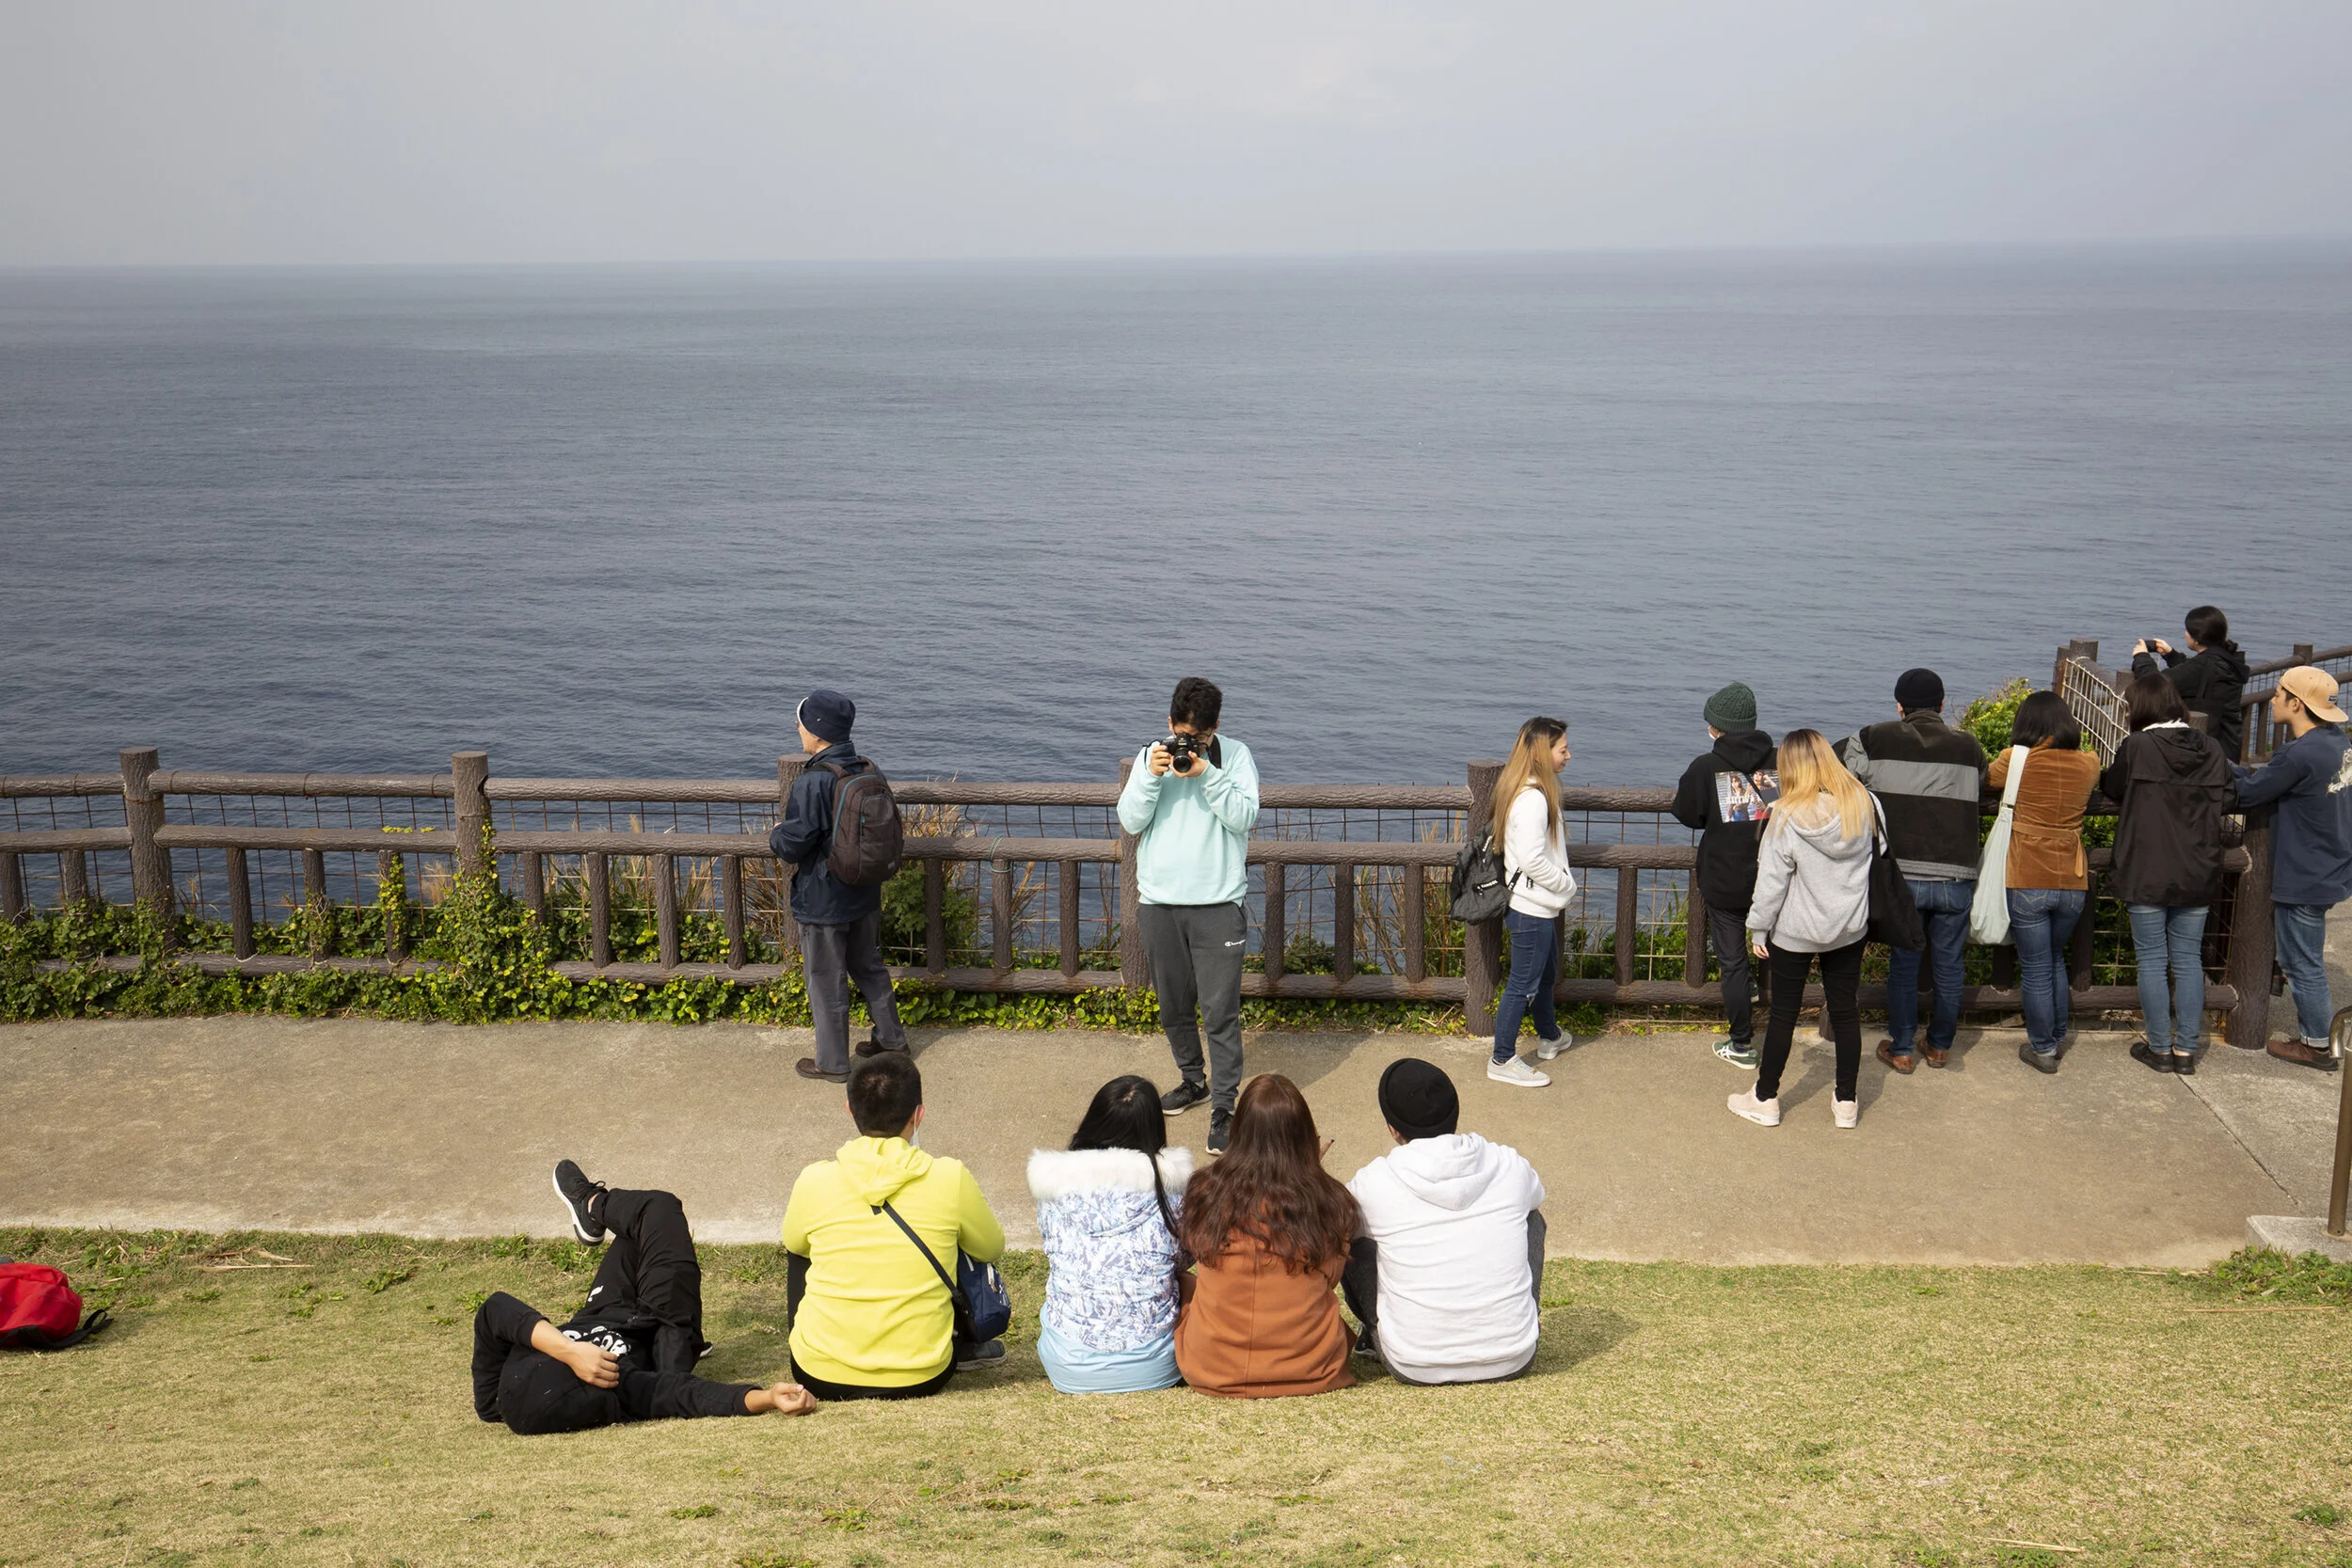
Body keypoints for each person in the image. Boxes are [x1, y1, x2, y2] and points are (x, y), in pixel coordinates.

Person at [471, 1160, 816, 1433]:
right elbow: (685, 1395)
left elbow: (495, 1309)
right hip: (661, 1334)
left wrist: (570, 1350)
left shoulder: (495, 1399)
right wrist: (766, 1398)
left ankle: (592, 1210)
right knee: (658, 1208)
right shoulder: (617, 1387)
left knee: (635, 1230)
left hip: (602, 1311)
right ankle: (592, 1205)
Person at [779, 1051, 1009, 1399]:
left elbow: (794, 1245)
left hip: (818, 1372)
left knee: (800, 1247)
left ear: (849, 1110)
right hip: (922, 1373)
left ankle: (821, 1341)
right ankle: (966, 1345)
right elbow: (990, 1249)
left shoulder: (814, 1179)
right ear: (919, 1115)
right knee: (960, 1234)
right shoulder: (949, 1177)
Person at [1117, 676, 1262, 1153]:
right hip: (1159, 903)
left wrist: (1206, 773)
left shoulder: (1234, 757)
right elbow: (1131, 822)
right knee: (1174, 1007)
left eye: (1197, 740)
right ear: (1168, 724)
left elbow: (1244, 817)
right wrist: (1149, 777)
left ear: (1215, 728)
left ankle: (1224, 1106)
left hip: (1218, 904)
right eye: (1181, 736)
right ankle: (1192, 1080)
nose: (1187, 747)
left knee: (1220, 1013)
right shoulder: (1149, 757)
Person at [1342, 1058, 1547, 1386]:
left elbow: (1336, 1226)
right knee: (1531, 1217)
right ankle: (1506, 1323)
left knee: (1349, 1233)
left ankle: (1373, 1329)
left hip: (1413, 1362)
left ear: (1393, 1129)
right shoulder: (1508, 1163)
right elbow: (1536, 1197)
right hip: (1512, 1356)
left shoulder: (1374, 1182)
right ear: (1455, 1114)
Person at [1173, 1073, 1358, 1397]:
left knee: (1185, 1284)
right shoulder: (1330, 1199)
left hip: (1212, 1365)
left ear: (1239, 1130)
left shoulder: (1204, 1189)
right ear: (1304, 1135)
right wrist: (1312, 1177)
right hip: (1312, 1365)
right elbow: (1329, 1276)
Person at [1839, 670, 1986, 1075]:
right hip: (1956, 873)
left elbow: (1841, 775)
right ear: (1942, 704)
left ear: (1899, 706)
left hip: (1902, 877)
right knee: (1950, 965)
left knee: (1904, 964)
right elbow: (1981, 783)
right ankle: (1939, 1046)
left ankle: (1902, 1048)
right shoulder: (1969, 746)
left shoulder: (1872, 737)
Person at [1730, 730, 1874, 1130]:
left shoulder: (1787, 814)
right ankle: (1846, 1102)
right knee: (1845, 1013)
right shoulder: (1864, 802)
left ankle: (1765, 1098)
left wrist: (1758, 929)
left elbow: (1772, 882)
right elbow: (1878, 855)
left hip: (1795, 931)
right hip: (1848, 927)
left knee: (1783, 1016)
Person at [771, 689, 909, 1084]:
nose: (797, 728)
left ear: (816, 732)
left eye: (800, 722)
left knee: (825, 978)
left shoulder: (813, 780)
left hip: (824, 898)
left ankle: (832, 1063)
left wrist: (776, 835)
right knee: (868, 966)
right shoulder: (868, 769)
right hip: (864, 889)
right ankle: (891, 1040)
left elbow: (795, 844)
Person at [1027, 1075, 1195, 1394]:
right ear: (1154, 1128)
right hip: (1156, 1365)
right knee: (1189, 1286)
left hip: (1068, 1365)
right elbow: (1184, 1258)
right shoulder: (1170, 1190)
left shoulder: (1053, 1186)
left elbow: (1054, 1248)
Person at [2102, 674, 2235, 1074]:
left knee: (2152, 959)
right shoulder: (2211, 748)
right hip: (2197, 868)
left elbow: (2113, 786)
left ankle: (2159, 1048)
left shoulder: (2138, 746)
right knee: (2188, 959)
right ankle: (2185, 1051)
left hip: (2146, 868)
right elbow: (2230, 795)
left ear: (2140, 708)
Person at [2232, 667, 2352, 1070]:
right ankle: (2316, 1038)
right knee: (2305, 957)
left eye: (2279, 693)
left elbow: (2249, 793)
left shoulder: (2299, 754)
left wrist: (2217, 768)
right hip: (2332, 861)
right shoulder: (2336, 741)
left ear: (2296, 703)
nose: (2272, 699)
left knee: (2302, 962)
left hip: (2304, 872)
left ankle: (2317, 1045)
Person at [1988, 692, 2104, 1075]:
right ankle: (2053, 1035)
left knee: (2036, 966)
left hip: (2027, 876)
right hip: (2072, 879)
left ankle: (2042, 1049)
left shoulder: (2016, 760)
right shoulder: (2088, 764)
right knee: (2054, 959)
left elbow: (1987, 779)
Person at [1670, 682, 1778, 1070]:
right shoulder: (1781, 762)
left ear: (1718, 727)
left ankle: (1742, 1044)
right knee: (1781, 956)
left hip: (1724, 880)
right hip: (1776, 878)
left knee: (1733, 961)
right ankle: (1780, 1033)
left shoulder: (1706, 766)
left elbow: (1686, 813)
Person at [1490, 716, 1577, 1087]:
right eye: (1563, 749)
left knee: (1543, 976)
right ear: (1544, 753)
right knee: (1522, 984)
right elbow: (1531, 858)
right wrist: (1566, 885)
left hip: (1535, 906)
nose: (1568, 756)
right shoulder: (1533, 800)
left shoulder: (1527, 790)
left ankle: (1549, 1035)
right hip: (1532, 909)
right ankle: (1502, 1058)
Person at [2133, 606, 2250, 762]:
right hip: (2226, 744)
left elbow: (2156, 684)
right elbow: (2195, 674)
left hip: (2204, 750)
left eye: (2188, 631)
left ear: (2196, 638)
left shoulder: (2205, 664)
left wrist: (2141, 657)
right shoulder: (2227, 658)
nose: (2185, 634)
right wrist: (2171, 655)